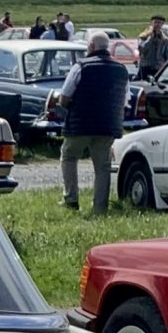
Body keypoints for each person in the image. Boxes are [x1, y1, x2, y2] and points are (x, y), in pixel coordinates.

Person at [55, 30, 129, 215]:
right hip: (107, 125)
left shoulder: (81, 67)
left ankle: (71, 199)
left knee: (69, 156)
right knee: (103, 167)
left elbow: (64, 97)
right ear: (108, 48)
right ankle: (100, 207)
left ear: (91, 47)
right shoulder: (121, 70)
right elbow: (125, 100)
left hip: (80, 124)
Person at [137, 14, 168, 80]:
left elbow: (167, 54)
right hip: (146, 66)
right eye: (155, 22)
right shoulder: (144, 36)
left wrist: (166, 65)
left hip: (158, 67)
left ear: (162, 24)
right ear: (152, 23)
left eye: (159, 23)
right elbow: (142, 49)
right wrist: (150, 39)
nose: (157, 25)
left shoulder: (164, 39)